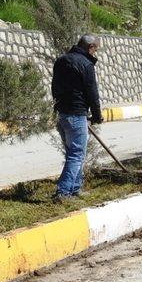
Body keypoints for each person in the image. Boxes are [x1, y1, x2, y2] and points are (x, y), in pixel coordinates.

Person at [51, 35, 103, 202]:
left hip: (61, 114)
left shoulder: (61, 61)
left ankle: (75, 188)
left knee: (74, 153)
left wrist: (57, 107)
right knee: (76, 154)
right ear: (90, 47)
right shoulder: (86, 65)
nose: (95, 53)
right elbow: (92, 92)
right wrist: (96, 115)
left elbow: (54, 87)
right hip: (76, 114)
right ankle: (63, 192)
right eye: (96, 49)